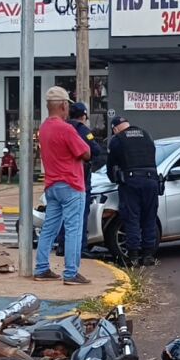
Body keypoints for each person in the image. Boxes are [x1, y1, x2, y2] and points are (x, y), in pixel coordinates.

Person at [34, 86, 92, 285]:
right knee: (73, 229)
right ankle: (71, 273)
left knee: (49, 228)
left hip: (52, 185)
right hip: (72, 184)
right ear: (63, 105)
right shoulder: (66, 128)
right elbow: (86, 153)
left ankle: (41, 268)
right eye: (67, 104)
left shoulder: (44, 128)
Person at [107, 116, 159, 267]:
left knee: (132, 218)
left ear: (115, 129)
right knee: (149, 217)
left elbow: (111, 166)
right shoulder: (146, 135)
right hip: (151, 181)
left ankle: (134, 257)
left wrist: (114, 179)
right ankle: (148, 255)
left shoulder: (118, 139)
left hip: (131, 182)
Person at [57, 102, 105, 260]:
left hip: (62, 177)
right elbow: (96, 150)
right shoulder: (83, 130)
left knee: (64, 214)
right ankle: (81, 247)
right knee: (80, 214)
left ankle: (62, 246)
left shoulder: (62, 127)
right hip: (81, 178)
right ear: (84, 115)